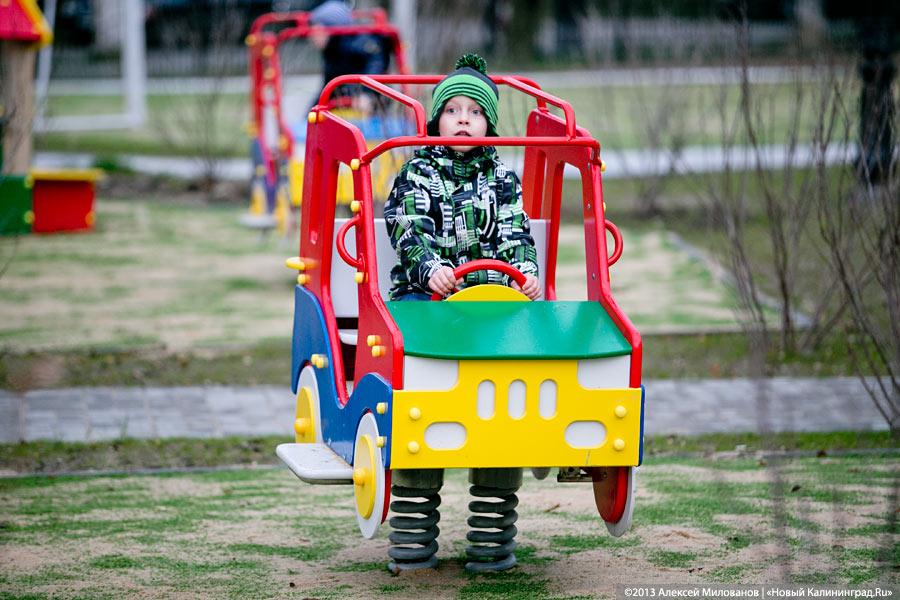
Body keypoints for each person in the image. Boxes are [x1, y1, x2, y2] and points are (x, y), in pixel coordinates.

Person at [383, 53, 540, 302]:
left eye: (476, 112)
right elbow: (410, 229)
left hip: (488, 295)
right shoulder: (418, 172)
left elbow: (515, 234)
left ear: (489, 124)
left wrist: (523, 274)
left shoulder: (502, 178)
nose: (463, 118)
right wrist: (432, 269)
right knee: (417, 316)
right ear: (437, 122)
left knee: (523, 319)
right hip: (425, 292)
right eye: (452, 110)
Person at [307, 0, 390, 113]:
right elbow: (329, 84)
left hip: (369, 104)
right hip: (346, 103)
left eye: (318, 30)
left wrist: (366, 94)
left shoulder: (358, 44)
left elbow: (375, 67)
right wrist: (312, 111)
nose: (312, 36)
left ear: (333, 29)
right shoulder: (331, 50)